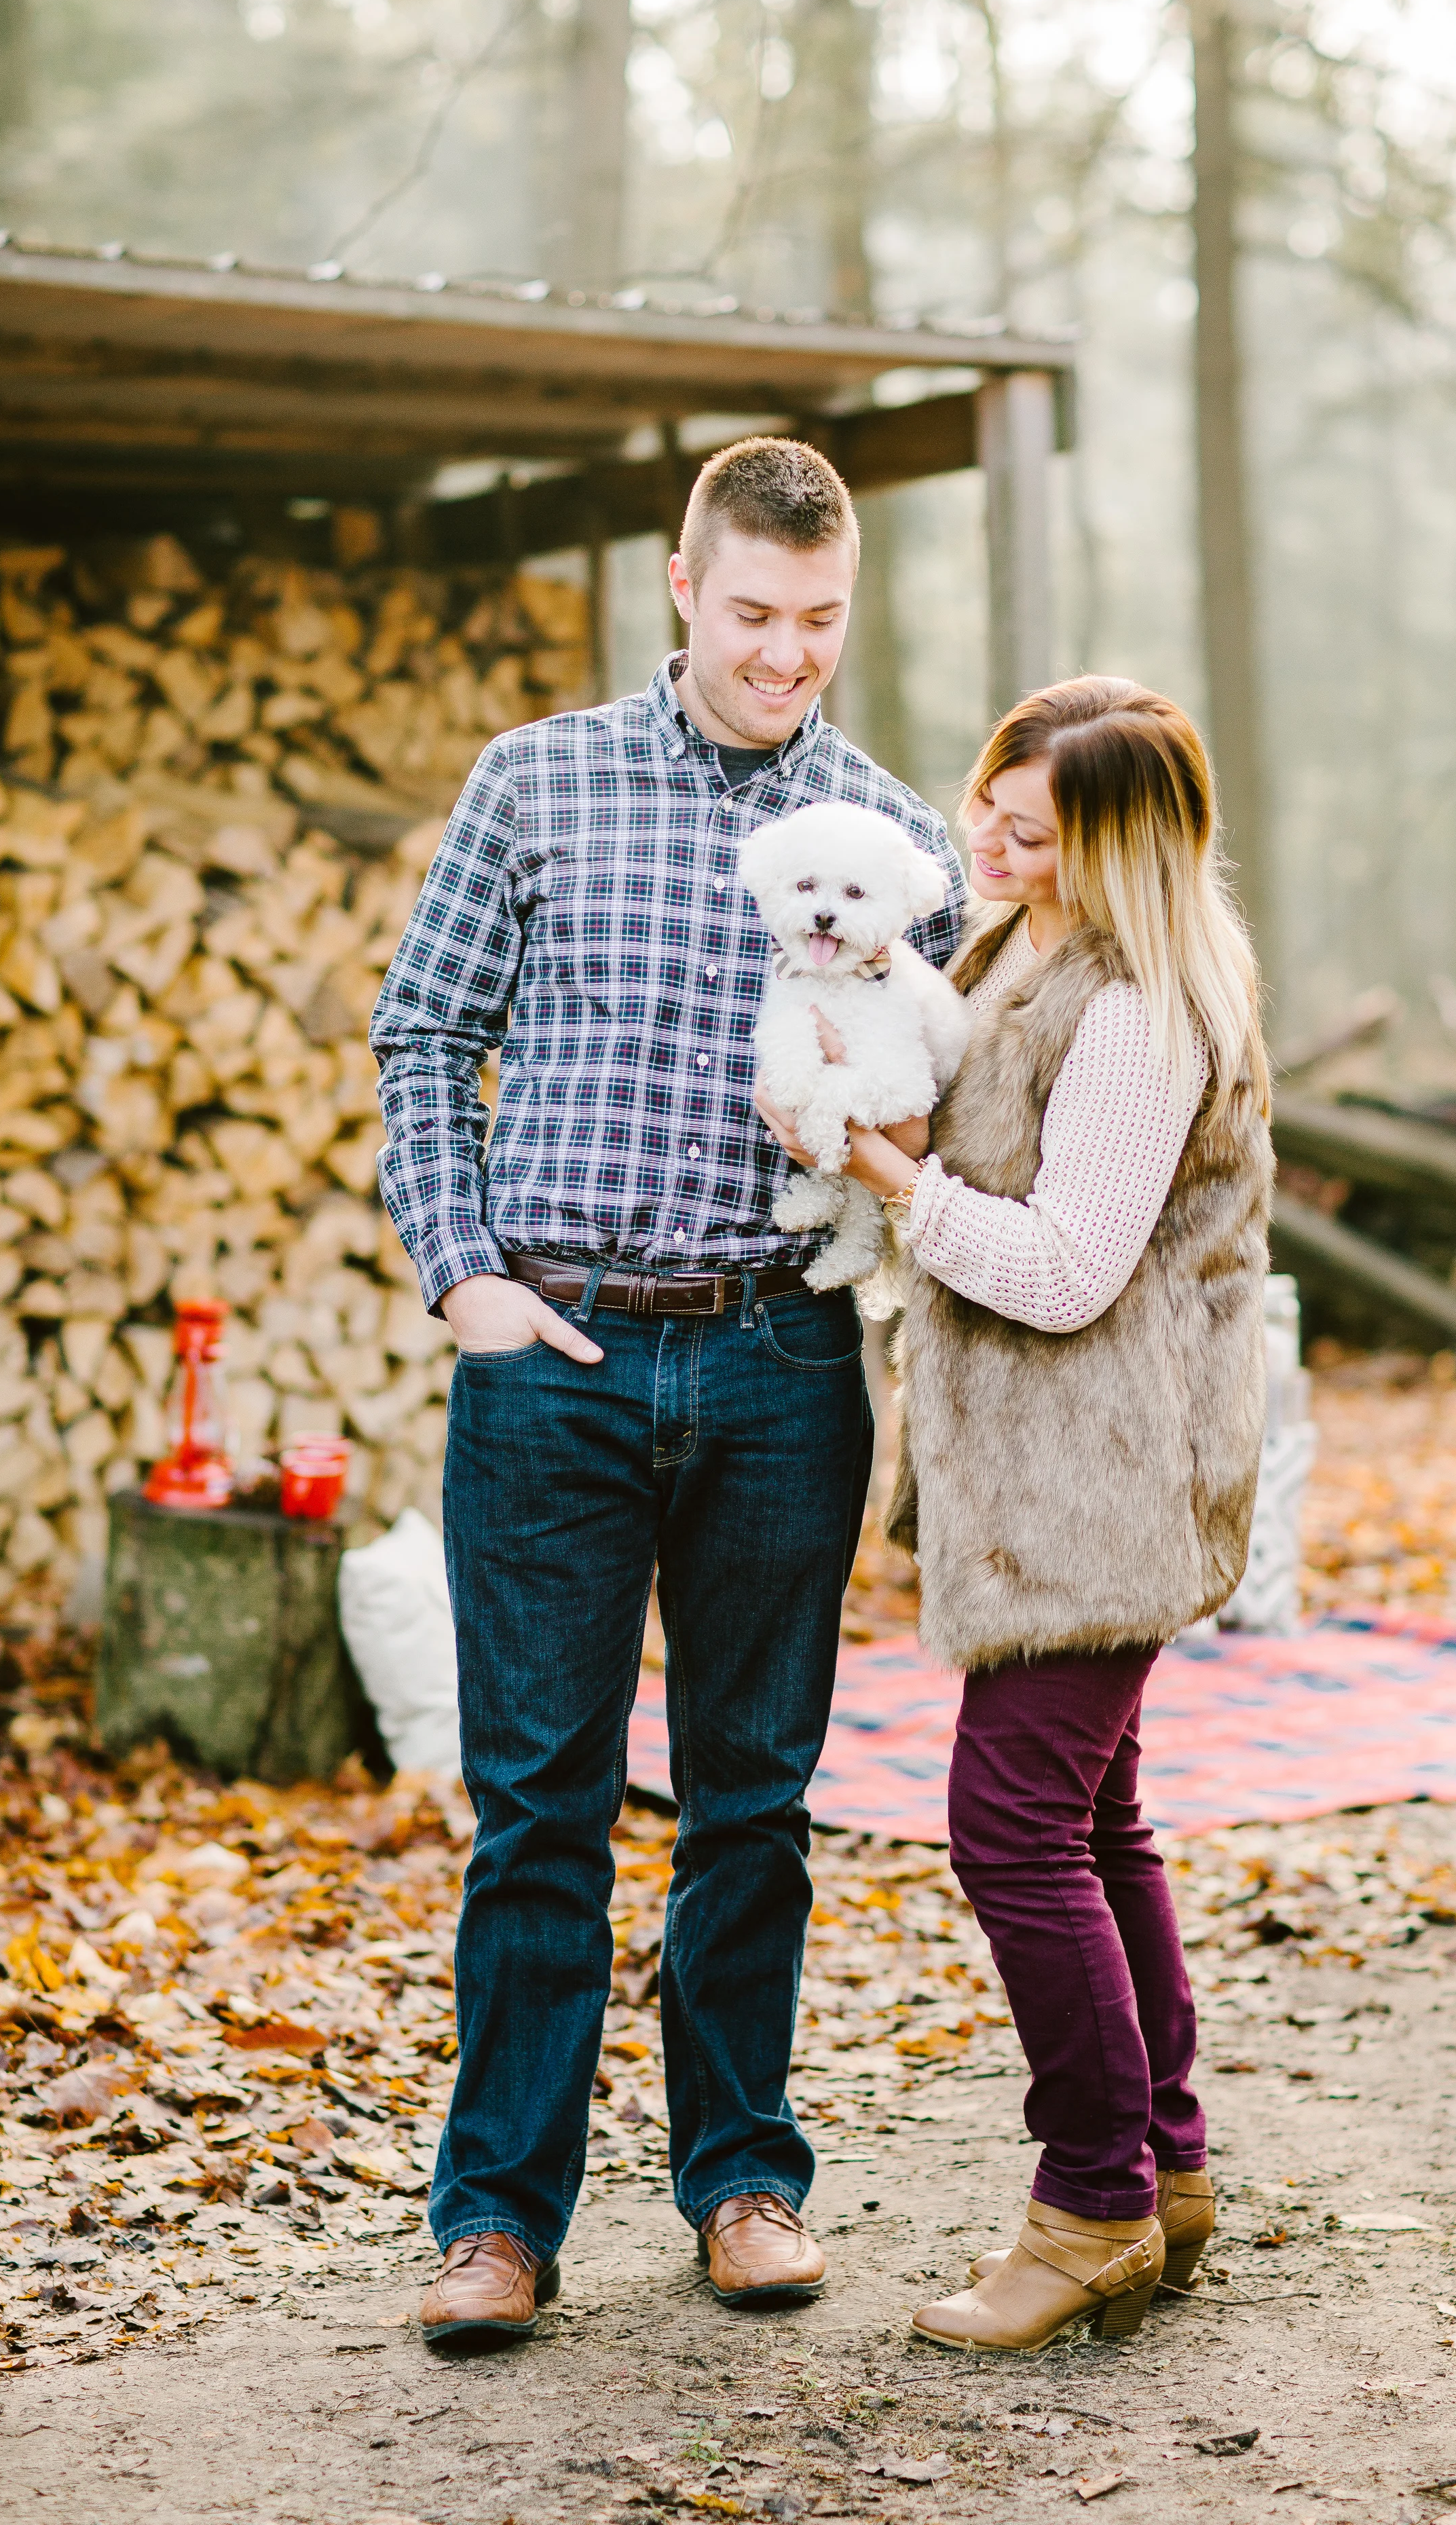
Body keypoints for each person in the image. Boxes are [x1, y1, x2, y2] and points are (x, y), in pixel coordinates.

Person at [370, 438, 967, 2343]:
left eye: (819, 621)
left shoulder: (884, 838)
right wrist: (460, 1270)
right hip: (553, 1348)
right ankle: (498, 2216)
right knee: (537, 1802)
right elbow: (419, 1029)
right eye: (753, 613)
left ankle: (744, 2175)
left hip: (784, 1352)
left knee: (753, 1799)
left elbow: (938, 1090)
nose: (786, 652)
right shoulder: (535, 776)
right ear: (683, 592)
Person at [756, 675, 1273, 2353]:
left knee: (1008, 1831)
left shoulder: (1133, 1008)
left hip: (1101, 1472)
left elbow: (1059, 1273)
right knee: (1095, 1826)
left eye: (1024, 826)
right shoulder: (1006, 952)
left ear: (1111, 848)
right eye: (986, 799)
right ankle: (1163, 2168)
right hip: (1036, 1477)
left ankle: (1091, 2208)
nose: (978, 835)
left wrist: (885, 1174)